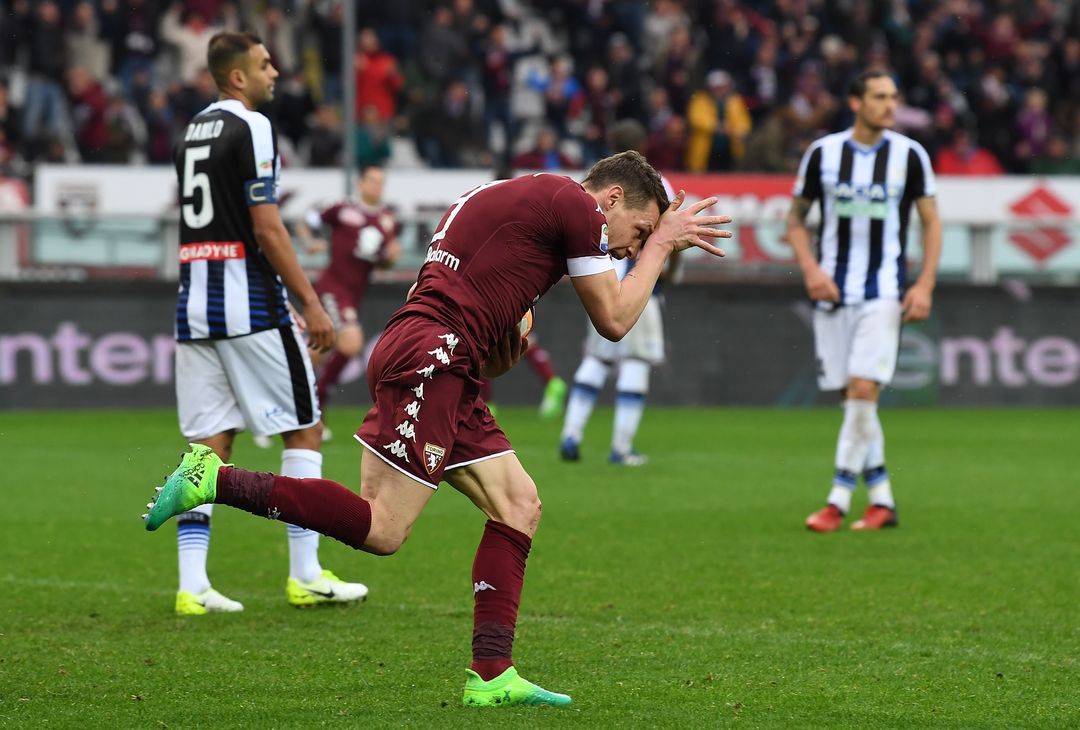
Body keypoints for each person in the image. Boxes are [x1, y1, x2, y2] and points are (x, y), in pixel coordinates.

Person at [144, 150, 731, 706]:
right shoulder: (574, 206)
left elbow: (495, 341)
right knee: (381, 528)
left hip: (440, 355)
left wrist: (507, 334)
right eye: (641, 229)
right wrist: (664, 248)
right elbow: (614, 319)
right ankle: (213, 480)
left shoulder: (528, 199)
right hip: (434, 355)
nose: (634, 247)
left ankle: (492, 675)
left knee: (518, 504)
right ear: (613, 196)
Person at [167, 30, 368, 614]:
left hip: (193, 303)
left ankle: (192, 585)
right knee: (304, 427)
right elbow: (266, 225)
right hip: (248, 301)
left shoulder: (192, 130)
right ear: (237, 77)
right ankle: (305, 573)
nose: (275, 70)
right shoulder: (251, 125)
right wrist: (310, 302)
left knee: (210, 443)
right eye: (263, 63)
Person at [788, 70, 942, 533]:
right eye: (879, 97)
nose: (889, 106)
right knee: (853, 399)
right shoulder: (823, 154)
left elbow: (932, 223)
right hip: (833, 293)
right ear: (855, 102)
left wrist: (925, 284)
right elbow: (795, 221)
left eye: (893, 97)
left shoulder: (910, 155)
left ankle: (836, 500)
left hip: (883, 294)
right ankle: (882, 500)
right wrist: (811, 271)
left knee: (861, 391)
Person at [254, 163, 401, 448]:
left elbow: (384, 259)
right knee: (350, 343)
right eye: (372, 180)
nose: (377, 187)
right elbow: (305, 220)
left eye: (381, 182)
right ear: (361, 184)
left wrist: (391, 258)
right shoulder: (342, 209)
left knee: (313, 357)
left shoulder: (386, 221)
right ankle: (316, 410)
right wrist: (311, 242)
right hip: (333, 289)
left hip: (352, 295)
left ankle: (271, 410)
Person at [560, 119, 678, 466]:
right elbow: (665, 237)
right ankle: (621, 447)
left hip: (596, 280)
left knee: (596, 360)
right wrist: (665, 270)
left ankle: (571, 432)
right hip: (634, 286)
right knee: (635, 362)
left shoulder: (596, 184)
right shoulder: (658, 188)